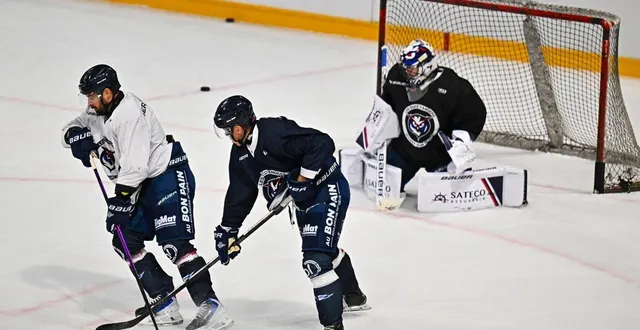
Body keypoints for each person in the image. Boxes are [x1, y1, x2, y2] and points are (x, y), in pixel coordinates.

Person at [61, 64, 233, 330]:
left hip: (167, 176)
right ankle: (164, 304)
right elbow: (74, 127)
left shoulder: (129, 115)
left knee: (174, 243)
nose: (88, 103)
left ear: (107, 93)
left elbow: (136, 166)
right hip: (141, 185)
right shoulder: (99, 111)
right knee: (124, 238)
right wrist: (75, 136)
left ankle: (211, 306)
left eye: (91, 96)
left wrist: (120, 200)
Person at [212, 95, 370, 330]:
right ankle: (354, 296)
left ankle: (332, 326)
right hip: (304, 201)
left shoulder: (274, 131)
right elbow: (240, 191)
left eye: (230, 129)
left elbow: (322, 143)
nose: (228, 135)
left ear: (243, 124)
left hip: (328, 189)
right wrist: (228, 229)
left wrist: (301, 179)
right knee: (323, 250)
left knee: (315, 260)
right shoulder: (240, 154)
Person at [380, 38, 487, 191]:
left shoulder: (451, 85)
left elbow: (475, 113)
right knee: (386, 187)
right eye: (405, 68)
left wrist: (463, 139)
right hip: (405, 150)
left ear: (427, 66)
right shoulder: (396, 77)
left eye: (412, 69)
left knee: (444, 194)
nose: (406, 73)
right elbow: (387, 105)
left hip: (438, 154)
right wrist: (378, 126)